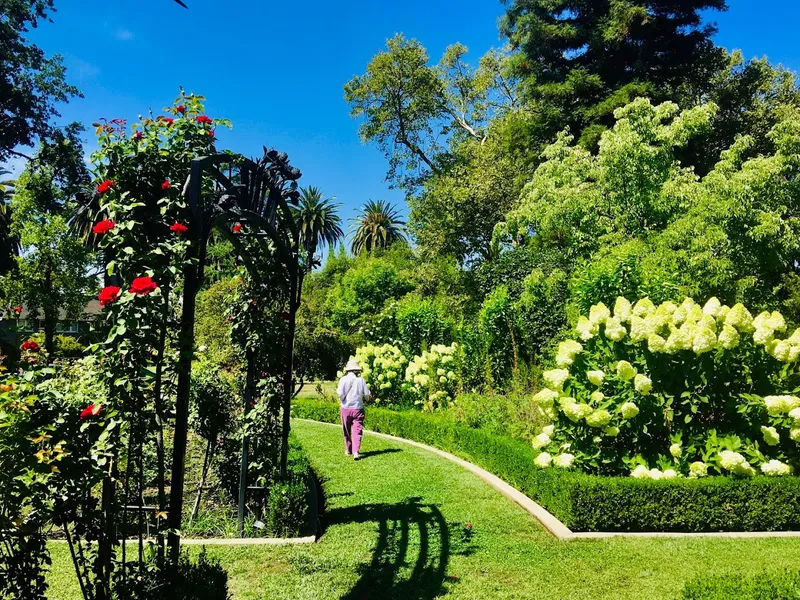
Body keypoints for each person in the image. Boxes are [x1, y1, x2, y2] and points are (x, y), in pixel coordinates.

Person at [337, 359, 370, 460]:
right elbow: (367, 394)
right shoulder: (361, 380)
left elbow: (340, 393)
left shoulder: (343, 379)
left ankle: (348, 449)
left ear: (348, 370)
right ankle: (356, 452)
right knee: (357, 430)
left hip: (345, 408)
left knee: (346, 430)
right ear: (357, 370)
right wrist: (365, 399)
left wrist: (342, 399)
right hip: (358, 408)